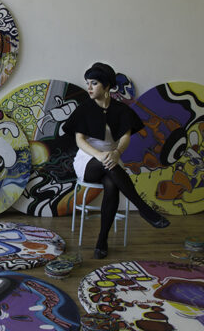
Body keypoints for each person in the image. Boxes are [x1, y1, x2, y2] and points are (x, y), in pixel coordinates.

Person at [64, 62, 170, 259]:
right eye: (88, 83)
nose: (89, 87)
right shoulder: (84, 109)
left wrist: (117, 153)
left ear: (106, 86)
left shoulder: (121, 110)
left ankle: (102, 241)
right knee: (109, 168)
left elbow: (125, 138)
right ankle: (144, 209)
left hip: (112, 158)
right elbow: (80, 140)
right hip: (89, 159)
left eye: (94, 83)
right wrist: (100, 155)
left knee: (112, 184)